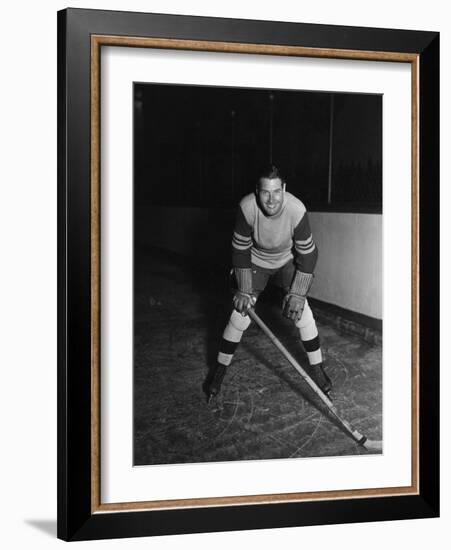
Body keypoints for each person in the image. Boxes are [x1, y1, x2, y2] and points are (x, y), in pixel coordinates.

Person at [207, 165, 332, 400]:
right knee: (239, 316)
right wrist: (244, 290)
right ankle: (219, 371)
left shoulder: (296, 209)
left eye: (276, 192)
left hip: (286, 260)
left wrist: (297, 294)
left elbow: (308, 255)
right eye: (265, 192)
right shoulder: (246, 208)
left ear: (284, 189)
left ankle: (318, 369)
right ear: (257, 191)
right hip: (256, 261)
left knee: (302, 313)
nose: (271, 199)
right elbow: (240, 250)